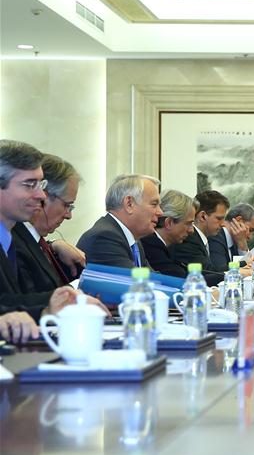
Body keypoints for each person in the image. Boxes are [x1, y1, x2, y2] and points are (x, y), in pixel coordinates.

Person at [0, 141, 105, 343]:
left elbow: (7, 302)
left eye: (41, 185)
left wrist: (54, 303)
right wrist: (49, 305)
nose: (40, 195)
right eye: (30, 185)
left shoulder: (9, 236)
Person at [12, 154, 85, 293]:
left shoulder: (40, 244)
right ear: (43, 198)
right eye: (67, 205)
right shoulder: (11, 243)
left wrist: (53, 244)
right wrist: (76, 289)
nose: (69, 215)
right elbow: (27, 301)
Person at [77, 174, 162, 269]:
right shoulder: (105, 238)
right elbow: (134, 279)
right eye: (154, 204)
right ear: (129, 204)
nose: (160, 212)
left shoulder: (134, 242)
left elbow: (148, 275)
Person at [169, 190, 229, 284]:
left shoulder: (205, 238)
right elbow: (208, 272)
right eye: (219, 218)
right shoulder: (189, 239)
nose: (223, 224)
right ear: (203, 216)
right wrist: (238, 271)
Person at [140, 189, 198, 278]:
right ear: (169, 223)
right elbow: (180, 279)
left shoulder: (169, 245)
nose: (191, 230)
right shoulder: (150, 247)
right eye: (188, 223)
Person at [209, 202, 254, 271]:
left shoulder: (236, 242)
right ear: (239, 220)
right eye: (250, 230)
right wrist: (242, 243)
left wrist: (242, 246)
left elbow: (250, 269)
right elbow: (220, 271)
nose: (250, 237)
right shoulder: (216, 237)